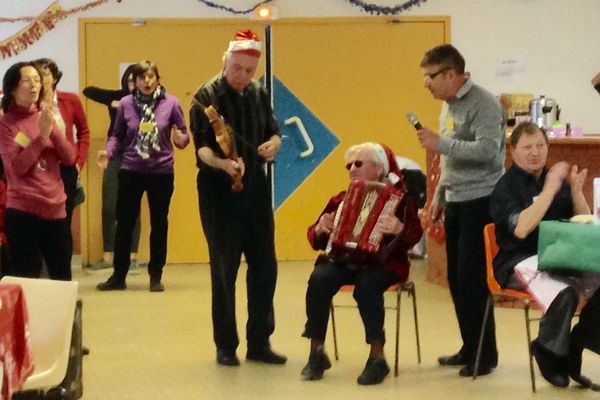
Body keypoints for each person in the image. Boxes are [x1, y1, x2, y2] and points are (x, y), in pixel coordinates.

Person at [189, 29, 285, 366]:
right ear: (225, 61)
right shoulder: (205, 96)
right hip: (218, 190)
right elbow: (202, 148)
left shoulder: (258, 92)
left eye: (249, 70)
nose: (243, 76)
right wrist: (223, 163)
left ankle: (260, 342)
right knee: (224, 267)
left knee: (264, 265)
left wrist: (274, 143)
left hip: (255, 187)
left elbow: (273, 129)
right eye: (237, 68)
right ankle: (226, 345)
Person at [490, 121, 600, 389]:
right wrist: (549, 190)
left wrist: (575, 192)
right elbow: (522, 229)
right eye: (527, 147)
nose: (535, 152)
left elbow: (581, 221)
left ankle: (576, 344)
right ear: (513, 151)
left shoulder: (553, 179)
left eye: (540, 145)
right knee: (565, 291)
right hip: (519, 260)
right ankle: (549, 352)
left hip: (559, 255)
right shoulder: (505, 188)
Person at [301, 142, 422, 385]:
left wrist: (400, 228)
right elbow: (314, 236)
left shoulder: (399, 200)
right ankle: (316, 352)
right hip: (345, 260)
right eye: (349, 165)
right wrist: (322, 229)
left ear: (378, 169)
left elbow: (414, 236)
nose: (351, 169)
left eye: (358, 164)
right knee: (319, 278)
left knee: (367, 285)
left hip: (384, 263)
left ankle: (378, 356)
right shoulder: (341, 199)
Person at [416, 44, 504, 376]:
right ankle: (469, 347)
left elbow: (487, 151)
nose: (427, 83)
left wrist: (440, 143)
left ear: (451, 74)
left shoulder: (484, 103)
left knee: (472, 280)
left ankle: (486, 355)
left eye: (431, 76)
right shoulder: (448, 106)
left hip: (481, 202)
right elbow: (450, 160)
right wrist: (438, 197)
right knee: (456, 278)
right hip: (455, 201)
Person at [96, 60, 189, 292]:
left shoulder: (172, 103)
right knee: (124, 223)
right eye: (141, 78)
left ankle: (155, 275)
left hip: (161, 172)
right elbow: (117, 135)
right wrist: (108, 152)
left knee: (159, 224)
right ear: (134, 82)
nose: (146, 82)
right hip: (131, 170)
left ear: (157, 79)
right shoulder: (126, 104)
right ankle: (118, 276)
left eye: (150, 77)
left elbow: (184, 135)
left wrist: (181, 140)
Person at [0, 61, 76, 280]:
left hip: (55, 209)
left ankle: (64, 315)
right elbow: (17, 168)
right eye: (26, 80)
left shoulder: (45, 116)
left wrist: (51, 130)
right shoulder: (6, 124)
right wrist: (41, 138)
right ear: (13, 88)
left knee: (62, 277)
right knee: (27, 279)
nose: (33, 85)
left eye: (36, 80)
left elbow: (69, 158)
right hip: (24, 211)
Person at [83, 65, 143, 272]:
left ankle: (132, 257)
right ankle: (108, 256)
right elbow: (88, 91)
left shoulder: (148, 100)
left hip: (138, 156)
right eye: (130, 81)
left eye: (138, 81)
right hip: (115, 154)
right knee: (109, 205)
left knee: (132, 208)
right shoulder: (117, 97)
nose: (134, 85)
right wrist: (113, 102)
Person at [33, 58, 90, 270]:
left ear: (54, 78)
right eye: (36, 76)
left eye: (44, 75)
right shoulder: (30, 104)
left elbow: (84, 132)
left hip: (66, 169)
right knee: (38, 220)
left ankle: (62, 271)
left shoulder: (70, 100)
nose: (40, 80)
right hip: (37, 169)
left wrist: (79, 162)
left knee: (63, 221)